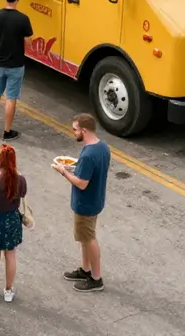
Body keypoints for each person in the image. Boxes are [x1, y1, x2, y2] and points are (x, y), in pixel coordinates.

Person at [54, 113, 111, 293]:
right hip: (96, 199)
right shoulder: (102, 147)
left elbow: (81, 183)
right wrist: (76, 168)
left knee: (89, 239)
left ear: (84, 130)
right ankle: (85, 270)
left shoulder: (88, 155)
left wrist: (63, 171)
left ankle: (96, 278)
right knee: (85, 239)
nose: (73, 132)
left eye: (75, 129)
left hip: (85, 204)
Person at [0, 0, 34, 141]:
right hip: (15, 64)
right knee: (11, 98)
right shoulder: (23, 19)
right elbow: (29, 41)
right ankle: (7, 131)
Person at [0, 144, 27, 303]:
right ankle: (8, 290)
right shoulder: (20, 180)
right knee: (10, 255)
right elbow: (23, 194)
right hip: (13, 220)